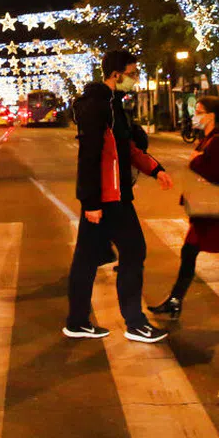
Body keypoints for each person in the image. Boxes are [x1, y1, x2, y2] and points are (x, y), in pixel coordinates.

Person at [65, 49, 174, 344]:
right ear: (117, 74)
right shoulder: (99, 106)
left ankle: (76, 321)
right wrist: (91, 202)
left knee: (86, 259)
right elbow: (89, 156)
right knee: (134, 251)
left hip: (109, 195)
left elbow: (126, 148)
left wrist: (155, 170)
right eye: (133, 72)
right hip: (108, 197)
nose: (135, 78)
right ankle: (135, 322)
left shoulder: (112, 104)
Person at [151, 96, 219, 320]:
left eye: (199, 111)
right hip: (206, 212)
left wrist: (195, 161)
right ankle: (175, 300)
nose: (195, 115)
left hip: (213, 213)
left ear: (210, 115)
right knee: (194, 254)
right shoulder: (208, 139)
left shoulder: (217, 141)